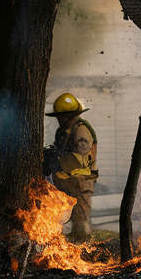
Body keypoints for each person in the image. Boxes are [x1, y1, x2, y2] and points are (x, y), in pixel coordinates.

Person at [45, 93, 98, 243]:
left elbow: (81, 159)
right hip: (67, 182)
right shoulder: (64, 131)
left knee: (81, 219)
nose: (59, 120)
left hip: (81, 182)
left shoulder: (81, 130)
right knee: (65, 218)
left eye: (61, 116)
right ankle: (73, 246)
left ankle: (85, 248)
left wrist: (57, 161)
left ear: (70, 116)